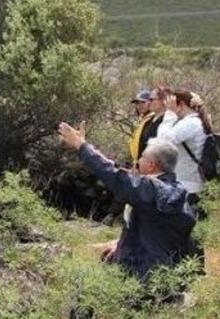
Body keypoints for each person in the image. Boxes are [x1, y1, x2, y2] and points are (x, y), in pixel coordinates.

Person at [57, 121, 196, 281]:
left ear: (151, 165)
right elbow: (157, 235)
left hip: (141, 276)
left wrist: (81, 146)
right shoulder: (179, 194)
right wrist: (121, 245)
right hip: (166, 276)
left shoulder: (150, 189)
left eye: (141, 157)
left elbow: (113, 175)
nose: (137, 162)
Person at [155, 89, 210, 202]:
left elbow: (163, 140)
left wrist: (170, 114)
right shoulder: (195, 122)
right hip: (188, 181)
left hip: (187, 183)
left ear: (181, 104)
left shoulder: (191, 123)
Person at [128, 88, 165, 166]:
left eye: (142, 103)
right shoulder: (142, 119)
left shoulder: (153, 119)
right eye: (137, 103)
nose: (139, 106)